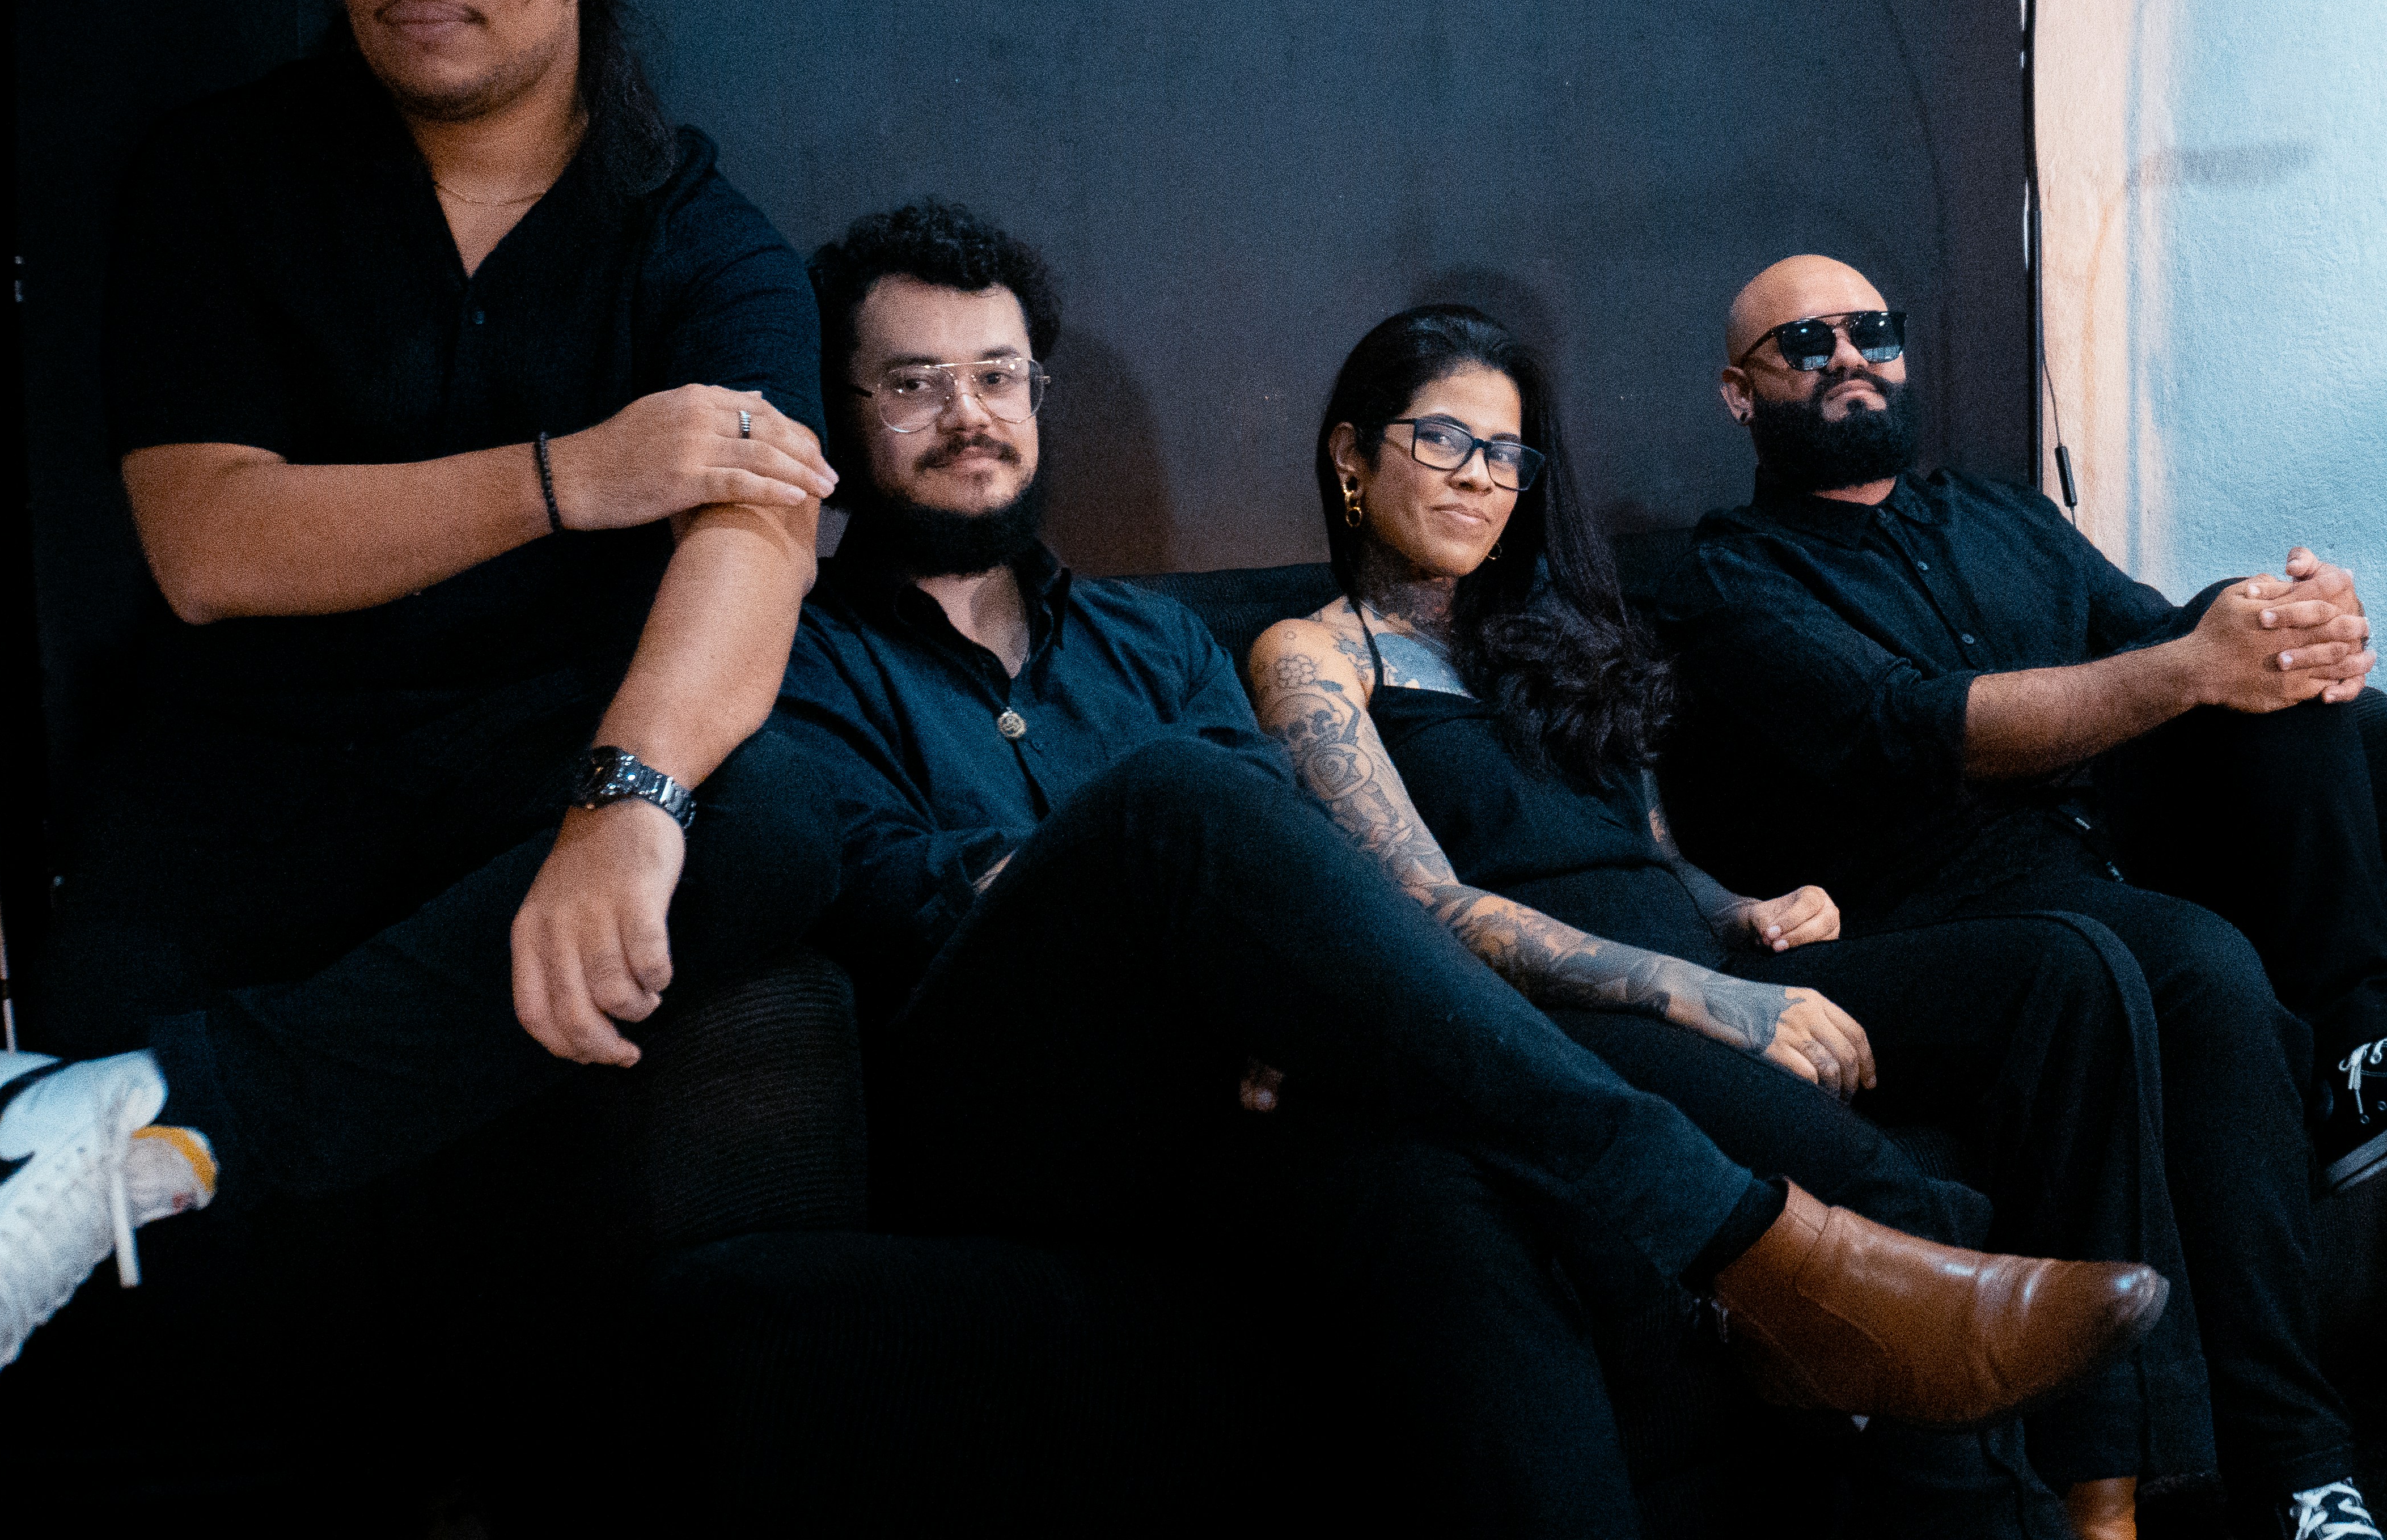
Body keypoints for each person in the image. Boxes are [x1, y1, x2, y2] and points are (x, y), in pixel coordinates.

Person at [771, 201, 2169, 1535]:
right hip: (1006, 1098)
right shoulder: (795, 656)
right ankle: (1762, 1242)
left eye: (1000, 375)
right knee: (1182, 798)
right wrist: (1184, 917)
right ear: (844, 409)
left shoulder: (1151, 643)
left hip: (1240, 1097)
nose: (970, 412)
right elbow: (914, 895)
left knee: (1454, 1208)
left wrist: (1721, 925)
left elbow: (1288, 865)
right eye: (914, 382)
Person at [0, 0, 845, 1494]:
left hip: (515, 799)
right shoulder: (223, 176)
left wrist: (627, 801)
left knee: (766, 809)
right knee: (181, 1387)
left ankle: (108, 1127)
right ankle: (119, 1135)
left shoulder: (705, 242)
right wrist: (571, 473)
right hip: (250, 782)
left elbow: (754, 549)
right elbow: (212, 545)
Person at [1653, 252, 2387, 1537]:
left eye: (1872, 329)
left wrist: (2291, 632)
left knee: (2267, 646)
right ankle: (2298, 1465)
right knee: (2197, 964)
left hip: (2093, 850)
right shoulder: (1729, 579)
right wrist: (2200, 663)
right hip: (1932, 909)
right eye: (1805, 343)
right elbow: (1917, 730)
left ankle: (2360, 1048)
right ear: (1739, 397)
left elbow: (2163, 643)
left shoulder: (2000, 513)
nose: (1850, 357)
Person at [1247, 304, 2203, 1540]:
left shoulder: (1562, 634)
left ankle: (2104, 1491)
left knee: (2069, 968)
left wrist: (1743, 913)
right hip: (1552, 1015)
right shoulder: (1316, 658)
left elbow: (1655, 858)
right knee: (1885, 1189)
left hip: (1694, 969)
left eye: (1508, 452)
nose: (1483, 478)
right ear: (1350, 454)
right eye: (1445, 440)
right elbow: (1424, 905)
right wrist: (1700, 992)